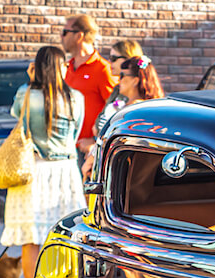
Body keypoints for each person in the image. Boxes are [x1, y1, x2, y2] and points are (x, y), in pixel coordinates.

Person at [1, 45, 85, 278]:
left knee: (32, 239)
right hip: (65, 171)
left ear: (37, 68)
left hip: (33, 170)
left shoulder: (26, 94)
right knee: (67, 236)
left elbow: (18, 117)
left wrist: (30, 82)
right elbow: (75, 137)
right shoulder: (75, 98)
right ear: (60, 67)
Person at [82, 55, 165, 180]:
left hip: (121, 172)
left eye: (122, 76)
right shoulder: (140, 108)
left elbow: (117, 141)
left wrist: (92, 158)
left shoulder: (135, 110)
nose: (118, 80)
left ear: (135, 81)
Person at [61, 13, 116, 158]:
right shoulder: (67, 67)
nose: (62, 37)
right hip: (66, 147)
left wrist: (95, 140)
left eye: (65, 32)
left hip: (87, 152)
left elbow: (117, 109)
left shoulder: (102, 69)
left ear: (79, 35)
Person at [96, 39, 144, 133]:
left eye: (114, 58)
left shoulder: (140, 95)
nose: (109, 61)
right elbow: (98, 123)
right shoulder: (117, 89)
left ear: (128, 58)